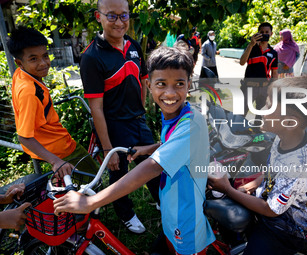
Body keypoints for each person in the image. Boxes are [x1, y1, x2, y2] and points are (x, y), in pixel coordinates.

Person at [54, 46, 216, 254]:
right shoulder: (176, 113)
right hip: (172, 210)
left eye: (179, 84)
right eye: (161, 84)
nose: (170, 93)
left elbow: (152, 168)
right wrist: (150, 148)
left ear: (189, 85)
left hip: (185, 220)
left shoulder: (190, 122)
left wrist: (91, 201)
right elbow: (177, 145)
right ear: (148, 85)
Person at [208, 76, 307, 255]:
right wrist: (253, 184)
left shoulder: (299, 164)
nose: (262, 110)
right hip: (273, 205)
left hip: (284, 229)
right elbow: (273, 168)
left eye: (269, 106)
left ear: (289, 121)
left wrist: (229, 189)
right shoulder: (285, 137)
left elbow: (270, 210)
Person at [79, 0, 160, 234]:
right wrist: (107, 148)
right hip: (114, 125)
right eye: (111, 16)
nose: (119, 22)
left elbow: (143, 80)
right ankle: (126, 213)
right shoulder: (92, 57)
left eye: (123, 16)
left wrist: (142, 110)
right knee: (119, 174)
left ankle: (160, 201)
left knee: (154, 162)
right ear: (98, 16)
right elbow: (96, 108)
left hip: (138, 120)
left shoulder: (133, 45)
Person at [7, 27, 98, 179]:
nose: (43, 63)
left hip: (52, 145)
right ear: (19, 63)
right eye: (33, 59)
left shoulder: (21, 75)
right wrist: (56, 161)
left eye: (45, 56)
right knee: (94, 181)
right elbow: (24, 137)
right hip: (61, 149)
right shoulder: (29, 91)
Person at [239, 22, 278, 121]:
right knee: (241, 113)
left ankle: (256, 132)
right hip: (249, 87)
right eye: (262, 32)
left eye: (267, 32)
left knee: (260, 115)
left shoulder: (273, 53)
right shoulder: (251, 48)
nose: (264, 34)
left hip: (265, 87)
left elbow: (274, 73)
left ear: (271, 34)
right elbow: (242, 62)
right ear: (258, 33)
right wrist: (251, 45)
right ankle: (236, 131)